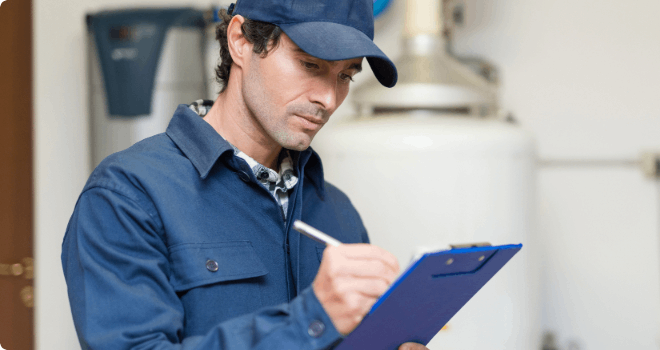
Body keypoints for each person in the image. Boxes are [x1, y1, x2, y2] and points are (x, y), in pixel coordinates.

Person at [61, 0, 430, 349]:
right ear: (240, 41)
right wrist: (310, 320)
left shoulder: (337, 210)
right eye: (310, 65)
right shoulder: (127, 196)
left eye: (345, 76)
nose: (329, 100)